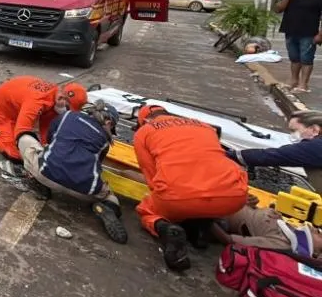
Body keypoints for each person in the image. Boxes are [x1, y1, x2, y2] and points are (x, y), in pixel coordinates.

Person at [133, 104, 249, 272]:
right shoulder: (205, 127)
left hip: (180, 199)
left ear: (144, 120)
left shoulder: (144, 132)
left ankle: (164, 228)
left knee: (148, 209)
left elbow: (151, 176)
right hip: (233, 198)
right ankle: (202, 227)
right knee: (201, 197)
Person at [17, 101, 128, 244]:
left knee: (25, 139)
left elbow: (50, 139)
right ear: (108, 121)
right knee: (111, 197)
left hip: (47, 173)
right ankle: (106, 208)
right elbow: (96, 165)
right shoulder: (105, 141)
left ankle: (38, 183)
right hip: (84, 191)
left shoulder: (67, 116)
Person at [0, 76, 89, 171]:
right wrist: (35, 159)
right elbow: (21, 133)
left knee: (35, 148)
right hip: (0, 110)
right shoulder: (37, 101)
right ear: (62, 98)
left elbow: (46, 125)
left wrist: (46, 147)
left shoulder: (55, 96)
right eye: (68, 108)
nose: (66, 112)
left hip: (16, 109)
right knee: (16, 155)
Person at [228, 110, 322, 191]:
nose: (292, 135)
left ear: (314, 130)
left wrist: (231, 155)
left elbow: (271, 156)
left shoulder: (315, 147)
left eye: (294, 130)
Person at [210, 194, 322, 258]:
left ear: (316, 253)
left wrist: (204, 218)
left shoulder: (281, 244)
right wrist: (250, 204)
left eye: (321, 236)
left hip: (219, 210)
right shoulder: (291, 231)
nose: (318, 230)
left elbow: (228, 240)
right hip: (233, 201)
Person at [275, 0, 322, 92]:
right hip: (290, 31)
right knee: (294, 58)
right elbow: (278, 9)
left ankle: (303, 84)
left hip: (309, 33)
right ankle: (293, 80)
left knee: (306, 58)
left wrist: (320, 35)